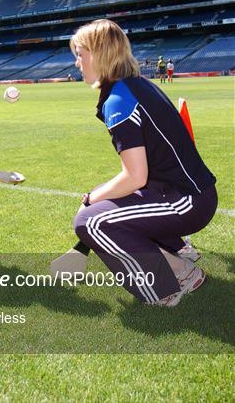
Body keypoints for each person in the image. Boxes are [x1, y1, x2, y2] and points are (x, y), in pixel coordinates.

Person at [71, 19, 217, 307]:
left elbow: (135, 177)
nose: (77, 63)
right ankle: (178, 251)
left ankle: (171, 281)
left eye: (80, 54)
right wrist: (97, 195)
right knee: (100, 202)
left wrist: (91, 200)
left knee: (90, 220)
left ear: (99, 54)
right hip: (187, 192)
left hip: (186, 200)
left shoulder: (118, 100)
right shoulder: (135, 86)